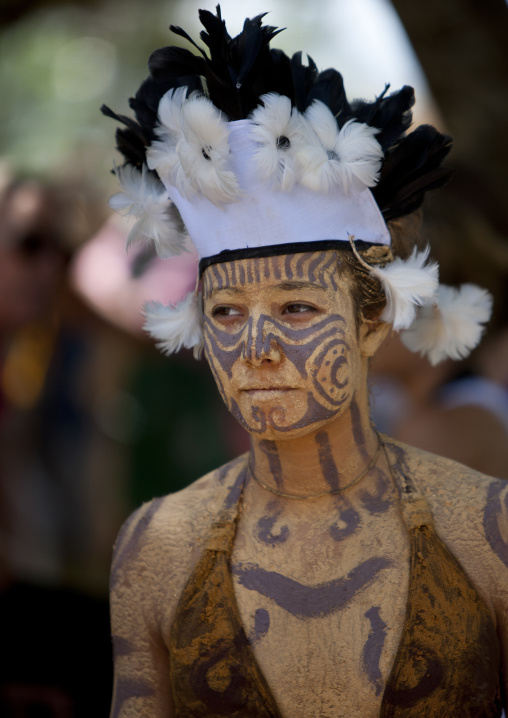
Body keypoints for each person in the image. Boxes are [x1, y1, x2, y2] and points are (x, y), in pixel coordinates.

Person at [103, 9, 507, 717]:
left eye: (296, 309)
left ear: (374, 320)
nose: (254, 347)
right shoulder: (154, 548)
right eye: (225, 313)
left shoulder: (488, 528)